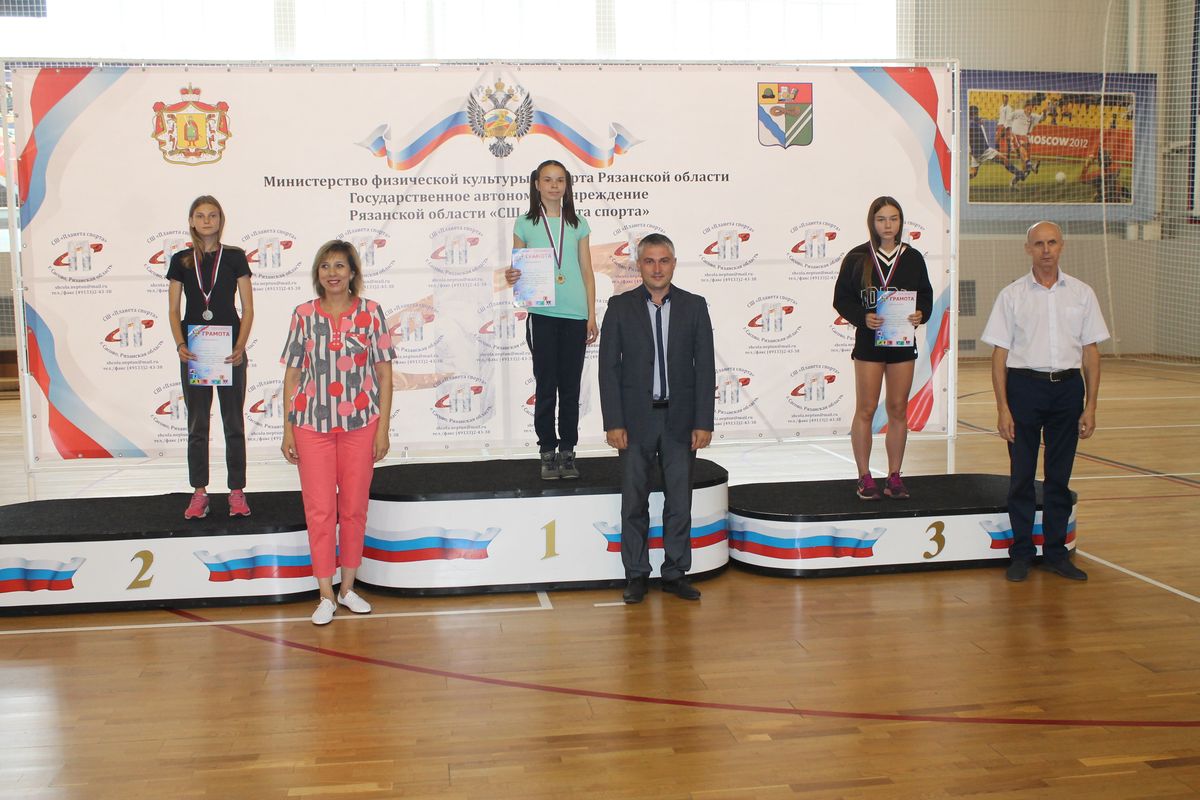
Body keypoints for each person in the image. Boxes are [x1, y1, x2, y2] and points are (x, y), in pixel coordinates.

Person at [981, 221, 1108, 582]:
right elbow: (999, 355)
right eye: (1039, 244)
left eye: (1052, 242)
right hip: (1024, 388)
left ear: (1061, 246)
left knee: (1059, 477)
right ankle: (1021, 554)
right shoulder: (1012, 296)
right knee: (1021, 477)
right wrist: (1003, 408)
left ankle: (1055, 554)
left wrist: (1091, 405)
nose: (1046, 250)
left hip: (1068, 391)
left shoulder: (1082, 293)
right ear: (1028, 249)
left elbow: (1091, 353)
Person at [281, 240, 396, 625]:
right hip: (309, 425)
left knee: (353, 508)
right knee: (319, 510)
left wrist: (382, 429)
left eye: (340, 266)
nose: (332, 273)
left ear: (352, 273)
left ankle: (347, 589)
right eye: (325, 266)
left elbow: (384, 374)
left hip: (360, 425)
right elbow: (292, 375)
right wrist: (288, 430)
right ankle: (325, 594)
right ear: (318, 273)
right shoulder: (303, 315)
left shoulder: (371, 313)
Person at [599, 233, 715, 604]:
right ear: (639, 265)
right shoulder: (619, 307)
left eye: (664, 260)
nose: (657, 268)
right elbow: (608, 369)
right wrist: (613, 422)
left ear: (673, 264)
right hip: (635, 422)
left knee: (679, 503)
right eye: (649, 261)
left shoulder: (694, 306)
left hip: (680, 421)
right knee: (634, 502)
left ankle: (675, 573)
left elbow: (705, 368)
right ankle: (636, 574)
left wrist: (704, 421)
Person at [832, 196, 933, 501]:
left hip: (901, 343)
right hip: (869, 343)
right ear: (872, 222)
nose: (888, 225)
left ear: (901, 222)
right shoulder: (857, 257)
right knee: (866, 408)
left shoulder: (912, 257)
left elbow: (925, 295)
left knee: (898, 408)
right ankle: (864, 476)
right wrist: (862, 317)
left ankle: (895, 475)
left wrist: (921, 313)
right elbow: (841, 299)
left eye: (893, 219)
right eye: (881, 219)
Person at [505, 160, 598, 480]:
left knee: (570, 387)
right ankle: (547, 450)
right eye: (548, 180)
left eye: (560, 180)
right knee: (546, 386)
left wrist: (591, 314)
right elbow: (517, 270)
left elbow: (587, 271)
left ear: (567, 185)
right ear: (537, 185)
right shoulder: (524, 224)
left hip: (575, 315)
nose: (554, 186)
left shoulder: (579, 223)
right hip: (542, 315)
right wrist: (513, 275)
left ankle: (568, 451)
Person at [167, 195, 254, 520]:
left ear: (221, 220)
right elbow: (174, 310)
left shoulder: (235, 257)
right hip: (195, 351)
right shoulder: (181, 260)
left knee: (233, 423)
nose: (207, 221)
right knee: (197, 424)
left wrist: (240, 346)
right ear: (192, 221)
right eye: (200, 215)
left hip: (230, 352)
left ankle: (237, 492)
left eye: (213, 215)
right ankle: (199, 492)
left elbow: (248, 309)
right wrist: (180, 344)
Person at [967, 105, 1022, 181]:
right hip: (984, 150)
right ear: (974, 113)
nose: (977, 114)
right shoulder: (972, 123)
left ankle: (962, 179)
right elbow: (971, 134)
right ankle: (1020, 174)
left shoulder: (971, 122)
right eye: (976, 113)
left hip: (975, 153)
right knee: (1004, 159)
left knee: (973, 173)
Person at [1007, 101, 1045, 185]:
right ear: (1024, 108)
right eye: (1028, 108)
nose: (1029, 110)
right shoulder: (1018, 113)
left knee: (1025, 168)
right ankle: (1031, 165)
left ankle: (1015, 180)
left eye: (1031, 109)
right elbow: (1009, 117)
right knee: (1023, 149)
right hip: (1016, 135)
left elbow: (1042, 118)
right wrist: (1009, 129)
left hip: (1025, 137)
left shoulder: (1032, 116)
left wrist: (1045, 112)